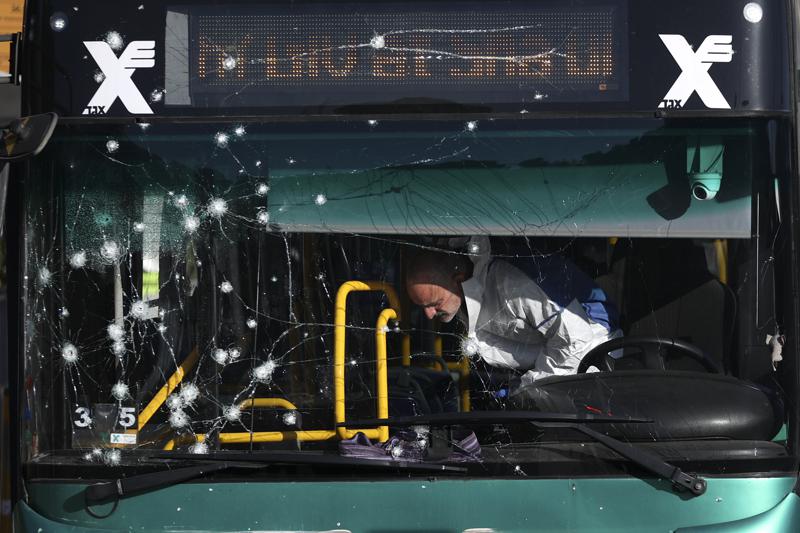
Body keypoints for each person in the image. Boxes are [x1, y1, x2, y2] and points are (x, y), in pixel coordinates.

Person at [406, 237, 620, 394]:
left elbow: (576, 339)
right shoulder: (467, 297)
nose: (429, 315)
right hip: (559, 359)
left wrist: (528, 389)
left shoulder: (512, 284)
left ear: (458, 279)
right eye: (421, 307)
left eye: (434, 304)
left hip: (597, 350)